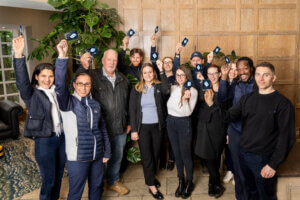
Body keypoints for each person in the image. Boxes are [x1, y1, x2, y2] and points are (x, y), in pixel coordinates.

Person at [205, 62, 295, 200]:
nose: (261, 78)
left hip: (263, 159)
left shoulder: (283, 104)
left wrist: (273, 164)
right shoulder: (247, 99)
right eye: (258, 74)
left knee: (265, 195)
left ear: (273, 78)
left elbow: (287, 137)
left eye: (266, 75)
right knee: (249, 191)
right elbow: (227, 116)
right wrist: (212, 105)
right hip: (243, 153)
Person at [55, 40, 111, 200]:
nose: (84, 87)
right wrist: (62, 56)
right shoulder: (68, 103)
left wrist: (106, 151)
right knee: (75, 193)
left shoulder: (95, 104)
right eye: (80, 84)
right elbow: (59, 85)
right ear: (74, 85)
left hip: (97, 157)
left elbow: (102, 129)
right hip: (77, 158)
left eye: (87, 84)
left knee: (97, 188)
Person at [13, 36, 66, 200]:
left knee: (59, 176)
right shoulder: (31, 94)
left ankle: (55, 198)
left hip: (61, 137)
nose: (47, 80)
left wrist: (62, 55)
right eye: (43, 76)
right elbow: (22, 81)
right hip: (44, 140)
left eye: (50, 76)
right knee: (48, 179)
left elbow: (62, 75)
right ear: (36, 77)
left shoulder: (57, 91)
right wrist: (18, 55)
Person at [79, 49, 131, 195]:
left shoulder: (123, 79)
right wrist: (83, 66)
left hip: (120, 126)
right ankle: (97, 185)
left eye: (114, 60)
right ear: (103, 61)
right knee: (99, 159)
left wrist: (129, 122)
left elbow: (128, 104)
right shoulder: (92, 76)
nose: (112, 63)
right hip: (99, 127)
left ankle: (113, 181)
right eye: (109, 59)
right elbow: (76, 86)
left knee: (117, 156)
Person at [129, 62, 169, 199]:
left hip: (157, 126)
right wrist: (134, 130)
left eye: (150, 72)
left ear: (154, 73)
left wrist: (162, 71)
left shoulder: (159, 86)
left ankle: (151, 176)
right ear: (142, 75)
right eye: (145, 72)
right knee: (147, 156)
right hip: (143, 128)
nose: (148, 75)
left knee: (155, 154)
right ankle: (151, 186)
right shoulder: (137, 88)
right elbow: (132, 110)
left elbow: (167, 90)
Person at [218, 57, 256, 200]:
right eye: (239, 69)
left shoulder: (258, 85)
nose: (242, 72)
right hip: (235, 131)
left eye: (245, 68)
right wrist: (224, 77)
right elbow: (222, 98)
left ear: (251, 68)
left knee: (251, 169)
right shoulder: (235, 84)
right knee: (239, 170)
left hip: (253, 133)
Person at [195, 64, 229, 198]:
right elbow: (199, 110)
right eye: (210, 74)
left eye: (215, 73)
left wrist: (211, 105)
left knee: (215, 156)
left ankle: (213, 185)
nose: (213, 76)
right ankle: (215, 184)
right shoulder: (204, 88)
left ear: (220, 74)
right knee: (208, 157)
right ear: (207, 76)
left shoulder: (225, 89)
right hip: (205, 127)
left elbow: (226, 114)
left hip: (219, 128)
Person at [166, 65, 198, 198]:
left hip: (184, 123)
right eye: (177, 75)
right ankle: (181, 180)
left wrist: (185, 100)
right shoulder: (173, 88)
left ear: (187, 76)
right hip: (171, 122)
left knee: (185, 154)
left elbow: (188, 112)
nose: (179, 78)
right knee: (177, 154)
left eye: (182, 75)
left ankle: (189, 181)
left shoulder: (193, 91)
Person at [150, 33, 177, 170]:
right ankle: (161, 159)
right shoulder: (158, 76)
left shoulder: (177, 77)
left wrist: (177, 53)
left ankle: (171, 159)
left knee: (171, 137)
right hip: (159, 111)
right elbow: (153, 59)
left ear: (173, 64)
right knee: (159, 137)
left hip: (173, 112)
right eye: (164, 62)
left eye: (169, 62)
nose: (167, 64)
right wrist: (153, 44)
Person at [223, 59, 238, 184]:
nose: (233, 72)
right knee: (227, 146)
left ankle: (236, 171)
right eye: (231, 69)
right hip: (223, 119)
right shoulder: (223, 82)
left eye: (236, 69)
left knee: (235, 146)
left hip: (235, 120)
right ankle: (230, 169)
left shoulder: (239, 84)